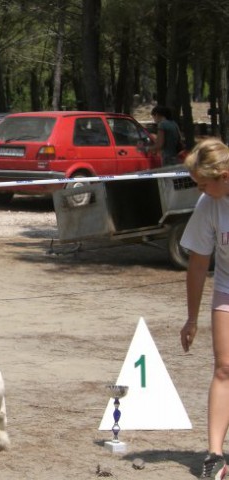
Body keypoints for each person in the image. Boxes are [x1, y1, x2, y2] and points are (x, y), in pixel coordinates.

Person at [180, 138, 229, 479]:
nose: (199, 188)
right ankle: (214, 455)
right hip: (227, 290)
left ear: (224, 176)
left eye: (203, 183)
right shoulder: (208, 204)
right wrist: (192, 318)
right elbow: (198, 264)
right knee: (224, 368)